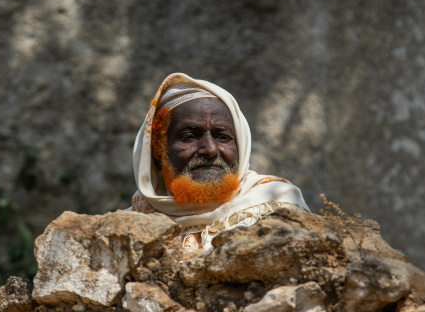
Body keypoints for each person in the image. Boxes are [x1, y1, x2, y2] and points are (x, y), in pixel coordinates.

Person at [129, 72, 310, 251]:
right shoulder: (129, 229)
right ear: (158, 151)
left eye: (222, 137)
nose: (210, 149)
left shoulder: (277, 206)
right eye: (190, 136)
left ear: (241, 146)